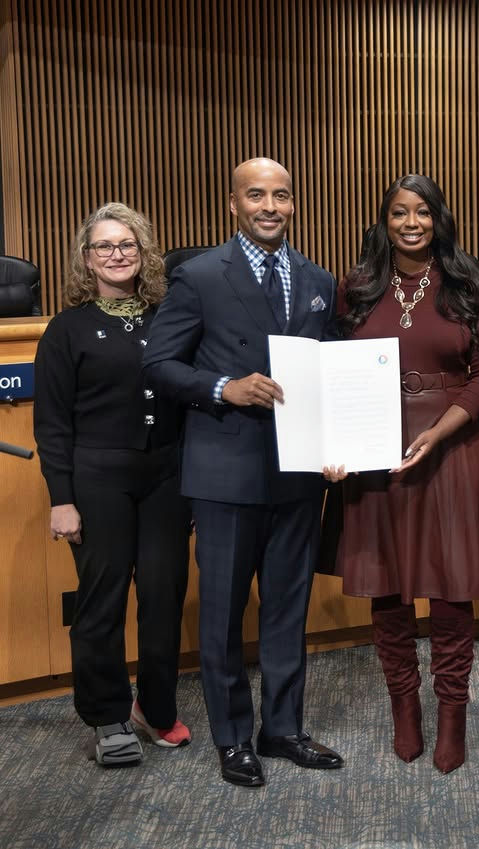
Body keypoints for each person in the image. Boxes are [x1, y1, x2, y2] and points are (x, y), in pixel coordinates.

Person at [143, 158, 343, 787]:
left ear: (293, 203)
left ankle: (280, 728)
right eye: (256, 195)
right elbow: (157, 364)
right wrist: (223, 387)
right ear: (233, 203)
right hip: (226, 471)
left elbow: (330, 372)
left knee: (288, 609)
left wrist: (338, 441)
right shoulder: (199, 276)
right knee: (224, 614)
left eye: (281, 195)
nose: (270, 206)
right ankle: (232, 737)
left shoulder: (319, 279)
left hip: (299, 474)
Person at [324, 174, 479, 774]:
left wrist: (440, 429)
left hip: (452, 446)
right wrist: (334, 442)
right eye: (399, 212)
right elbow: (333, 372)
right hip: (375, 450)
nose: (411, 222)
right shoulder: (355, 287)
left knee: (453, 589)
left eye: (423, 212)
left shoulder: (465, 283)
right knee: (389, 587)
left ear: (438, 219)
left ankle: (451, 714)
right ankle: (403, 707)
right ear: (384, 222)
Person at [34, 202, 191, 767]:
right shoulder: (66, 328)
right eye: (105, 245)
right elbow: (52, 422)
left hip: (167, 477)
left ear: (143, 253)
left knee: (163, 594)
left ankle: (155, 707)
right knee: (102, 602)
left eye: (127, 244)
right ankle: (107, 716)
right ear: (86, 258)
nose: (117, 254)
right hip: (97, 479)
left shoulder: (168, 315)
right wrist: (62, 499)